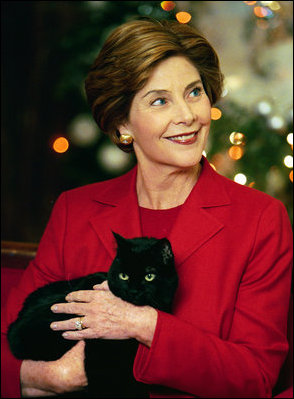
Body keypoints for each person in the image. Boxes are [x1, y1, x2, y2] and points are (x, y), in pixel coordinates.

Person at [2, 18, 293, 398]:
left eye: (194, 92)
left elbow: (254, 377)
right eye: (160, 101)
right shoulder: (77, 209)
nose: (188, 115)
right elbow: (9, 338)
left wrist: (144, 324)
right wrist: (54, 376)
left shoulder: (260, 218)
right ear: (123, 122)